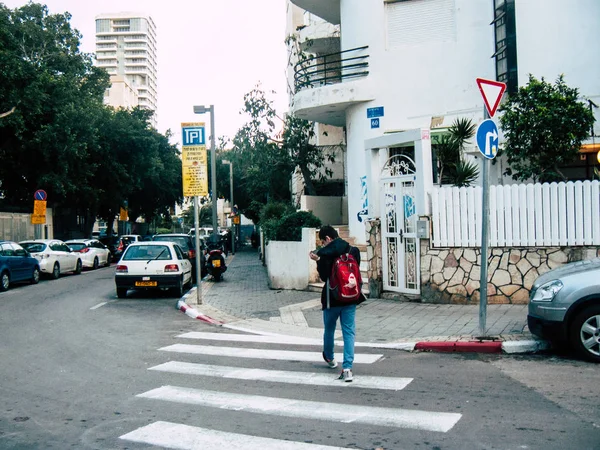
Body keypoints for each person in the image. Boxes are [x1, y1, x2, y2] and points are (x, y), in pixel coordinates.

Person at [309, 225, 366, 382]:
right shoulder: (353, 250)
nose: (322, 245)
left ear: (327, 239)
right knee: (349, 332)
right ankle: (347, 368)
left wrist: (319, 260)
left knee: (329, 329)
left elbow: (324, 276)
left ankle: (330, 357)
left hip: (331, 297)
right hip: (351, 297)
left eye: (322, 242)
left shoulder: (326, 254)